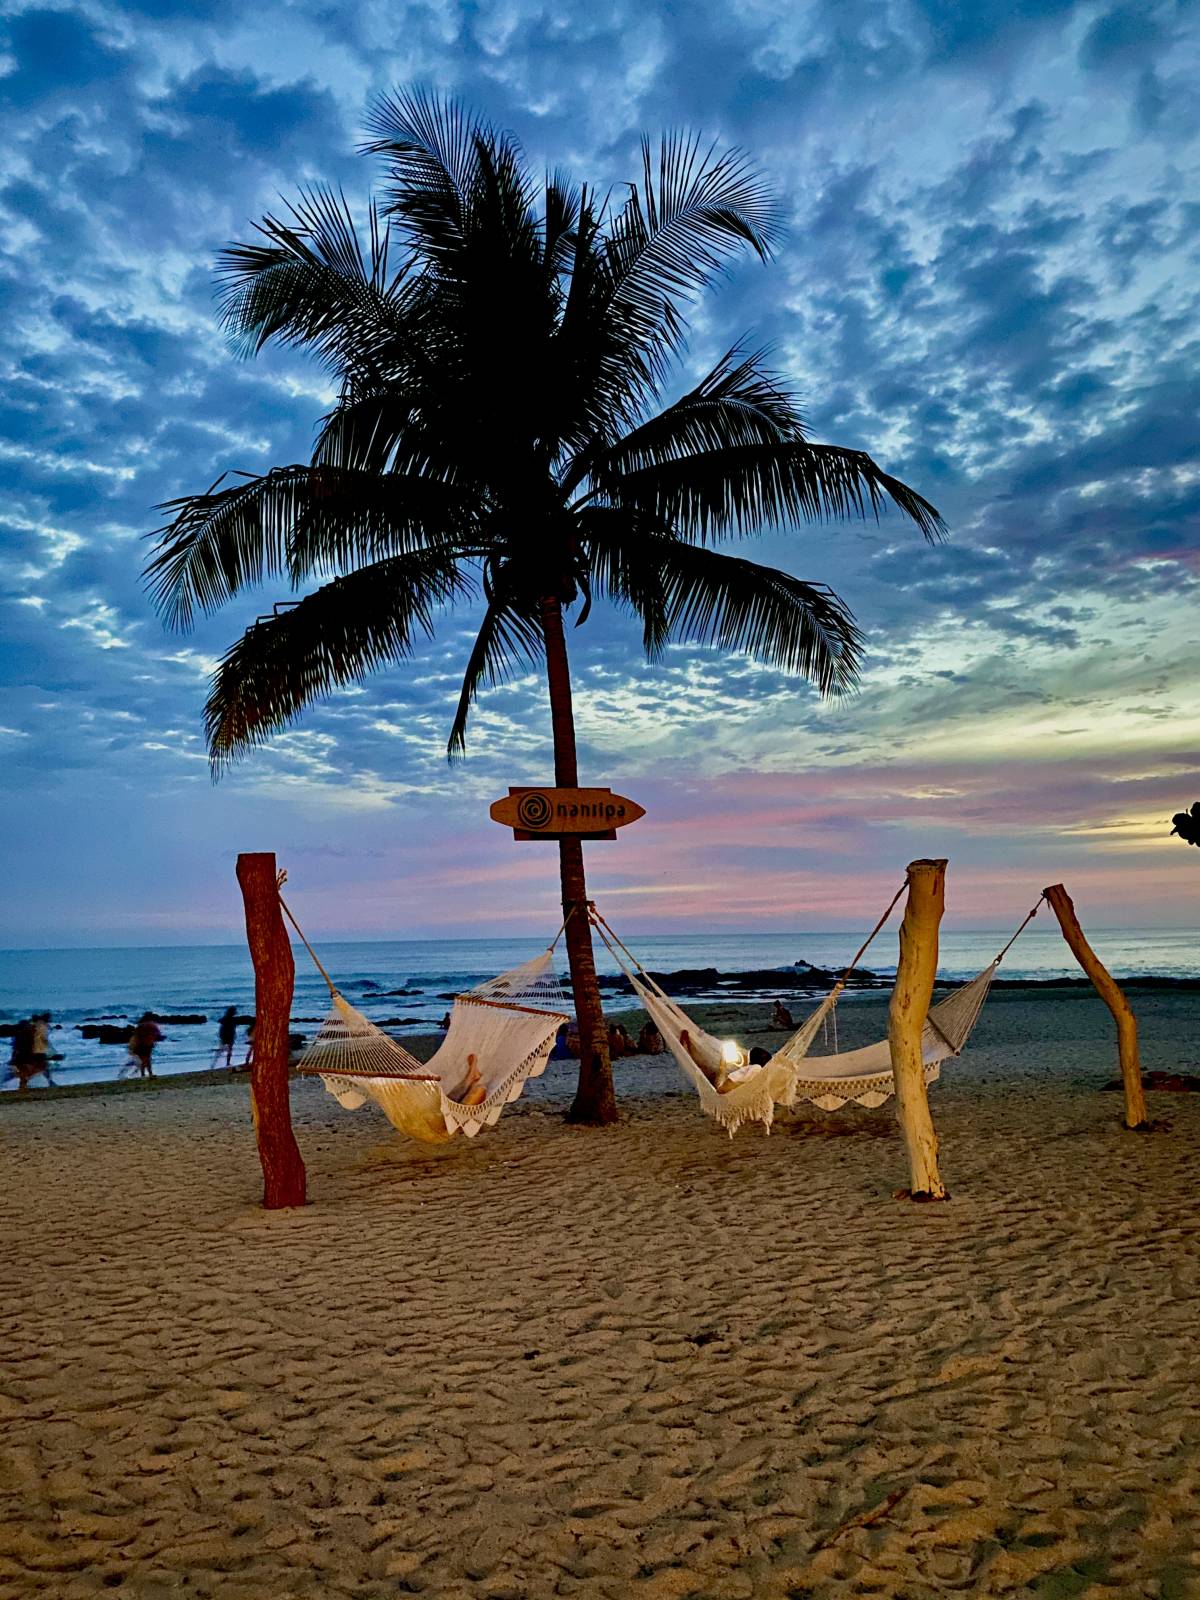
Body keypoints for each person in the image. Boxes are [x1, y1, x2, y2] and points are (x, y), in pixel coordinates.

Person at [127, 1013, 164, 1078]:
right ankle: (146, 1073)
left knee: (145, 1060)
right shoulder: (150, 1025)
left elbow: (136, 1035)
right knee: (146, 1060)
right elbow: (156, 1034)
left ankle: (145, 1073)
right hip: (145, 1044)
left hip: (143, 1044)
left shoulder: (141, 1026)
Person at [26, 1013, 57, 1087]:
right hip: (37, 1049)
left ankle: (26, 1082)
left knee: (40, 1066)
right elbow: (43, 1038)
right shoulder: (42, 1025)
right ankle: (50, 1082)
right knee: (43, 1066)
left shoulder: (33, 1024)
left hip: (31, 1049)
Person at [6, 1017, 35, 1091]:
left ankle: (22, 1084)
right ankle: (23, 1084)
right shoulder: (29, 1034)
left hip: (20, 1055)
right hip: (25, 1055)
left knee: (20, 1069)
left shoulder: (19, 1034)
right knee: (23, 1070)